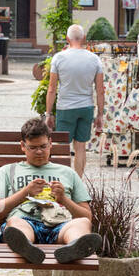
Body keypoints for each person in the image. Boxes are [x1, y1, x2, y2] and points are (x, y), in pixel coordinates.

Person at [0, 118, 102, 265]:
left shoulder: (67, 173)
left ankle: (74, 247)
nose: (39, 152)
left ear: (50, 143)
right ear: (23, 146)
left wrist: (64, 199)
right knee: (15, 223)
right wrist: (24, 193)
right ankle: (26, 247)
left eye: (43, 146)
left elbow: (87, 216)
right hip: (25, 220)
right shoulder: (8, 171)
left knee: (82, 223)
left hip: (60, 224)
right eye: (33, 148)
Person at [44, 23, 105, 176]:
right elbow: (100, 91)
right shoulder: (95, 59)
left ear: (67, 39)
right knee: (81, 147)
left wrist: (48, 113)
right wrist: (100, 115)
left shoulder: (58, 58)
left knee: (62, 147)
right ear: (84, 38)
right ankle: (78, 181)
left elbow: (51, 89)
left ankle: (62, 181)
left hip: (65, 107)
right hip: (86, 107)